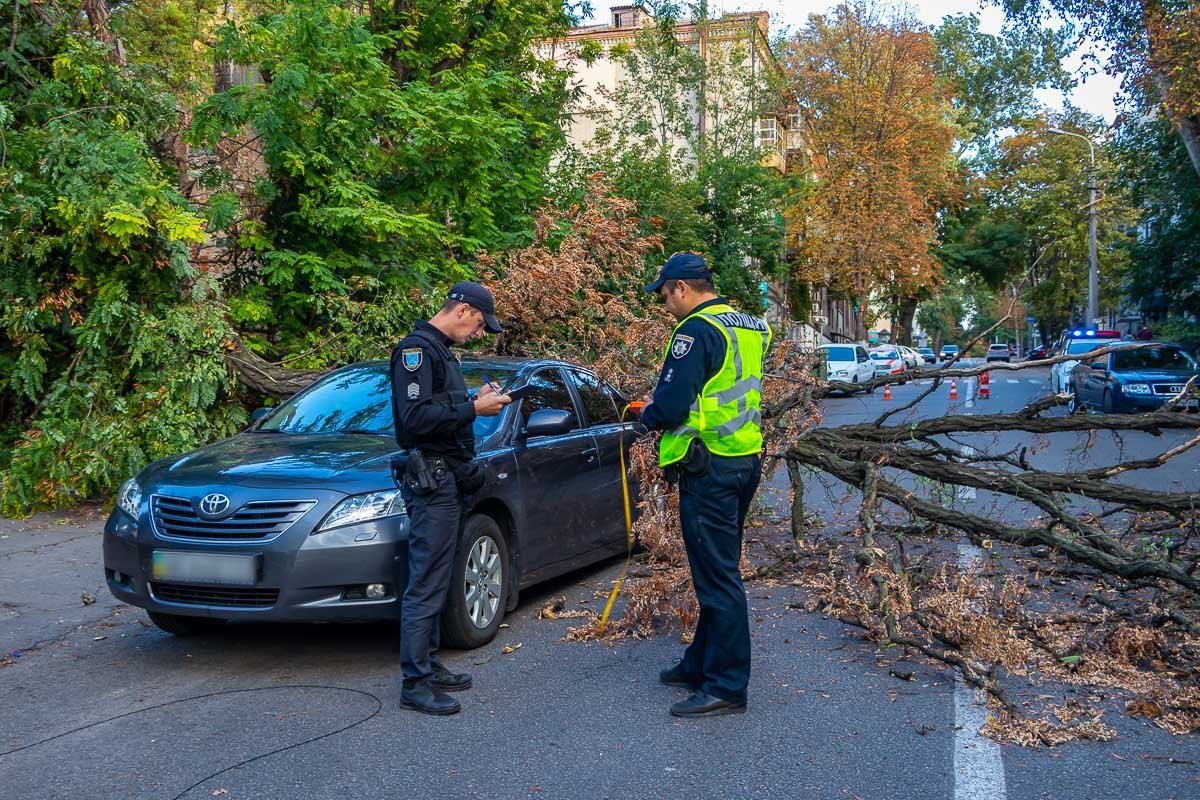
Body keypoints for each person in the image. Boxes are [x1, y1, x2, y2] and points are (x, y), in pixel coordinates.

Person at [639, 252, 771, 718]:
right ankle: (700, 663)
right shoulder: (751, 326)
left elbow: (673, 406)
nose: (665, 304)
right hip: (744, 458)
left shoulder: (695, 330)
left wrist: (647, 415)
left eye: (664, 294)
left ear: (681, 287)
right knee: (718, 569)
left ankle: (727, 686)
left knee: (717, 578)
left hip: (709, 465)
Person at [390, 281, 510, 715]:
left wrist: (472, 399)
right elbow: (415, 419)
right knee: (426, 581)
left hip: (450, 479)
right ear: (461, 310)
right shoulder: (416, 351)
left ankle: (428, 663)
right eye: (478, 324)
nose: (478, 333)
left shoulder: (440, 352)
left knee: (440, 577)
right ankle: (415, 683)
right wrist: (473, 410)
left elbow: (439, 408)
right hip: (432, 482)